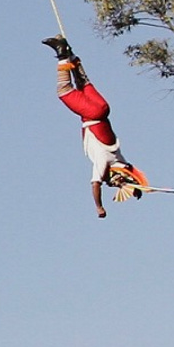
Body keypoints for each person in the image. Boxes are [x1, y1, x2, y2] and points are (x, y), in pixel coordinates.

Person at [44, 35, 147, 218]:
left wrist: (135, 187)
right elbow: (95, 184)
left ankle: (69, 53)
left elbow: (129, 169)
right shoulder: (104, 162)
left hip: (102, 109)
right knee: (64, 91)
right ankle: (61, 53)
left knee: (83, 82)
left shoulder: (119, 158)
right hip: (94, 115)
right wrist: (99, 206)